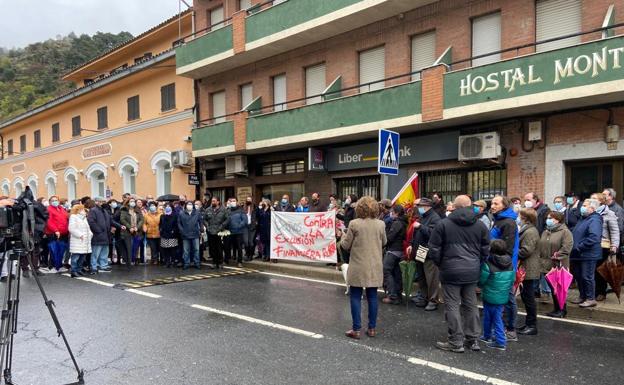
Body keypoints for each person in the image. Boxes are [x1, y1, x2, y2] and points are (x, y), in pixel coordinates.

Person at [428, 195, 490, 353]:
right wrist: (478, 263)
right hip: (472, 269)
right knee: (471, 304)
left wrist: (441, 264)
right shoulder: (480, 225)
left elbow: (434, 249)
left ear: (454, 207)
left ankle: (456, 340)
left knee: (452, 305)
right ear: (470, 206)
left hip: (450, 269)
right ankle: (473, 339)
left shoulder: (443, 224)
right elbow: (485, 249)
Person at [340, 196, 387, 339]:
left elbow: (345, 246)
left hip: (359, 265)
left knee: (355, 296)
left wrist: (342, 236)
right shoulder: (380, 224)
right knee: (372, 296)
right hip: (375, 265)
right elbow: (384, 242)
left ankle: (356, 329)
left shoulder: (354, 224)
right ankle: (372, 328)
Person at [489, 195, 519, 342]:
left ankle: (510, 329)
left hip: (504, 265)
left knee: (508, 298)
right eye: (492, 203)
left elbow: (507, 248)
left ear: (504, 206)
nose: (492, 205)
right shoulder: (498, 220)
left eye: (496, 203)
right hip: (496, 263)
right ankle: (499, 326)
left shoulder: (508, 223)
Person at [479, 239, 515, 351]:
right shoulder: (510, 264)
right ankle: (487, 335)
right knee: (494, 316)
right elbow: (512, 280)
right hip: (502, 296)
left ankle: (500, 341)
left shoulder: (488, 264)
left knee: (492, 317)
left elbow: (481, 281)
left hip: (489, 295)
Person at [407, 198, 441, 311]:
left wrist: (421, 227)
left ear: (427, 206)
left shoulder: (435, 218)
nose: (418, 208)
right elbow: (416, 233)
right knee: (422, 276)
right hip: (420, 249)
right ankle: (424, 297)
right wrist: (411, 244)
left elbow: (433, 234)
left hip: (429, 252)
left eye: (420, 206)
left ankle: (433, 300)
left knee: (431, 278)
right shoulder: (423, 217)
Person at [538, 211, 574, 317]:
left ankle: (562, 310)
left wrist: (557, 255)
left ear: (557, 220)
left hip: (558, 265)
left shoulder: (565, 232)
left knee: (559, 289)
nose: (547, 220)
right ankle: (556, 309)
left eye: (550, 218)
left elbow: (567, 247)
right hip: (546, 264)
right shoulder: (546, 232)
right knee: (553, 288)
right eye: (547, 218)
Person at [570, 199, 603, 308]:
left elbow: (594, 237)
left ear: (592, 208)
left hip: (588, 254)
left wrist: (579, 247)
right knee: (579, 276)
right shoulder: (583, 218)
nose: (581, 207)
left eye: (584, 205)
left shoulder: (595, 220)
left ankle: (590, 298)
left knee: (587, 276)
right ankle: (582, 296)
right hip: (578, 254)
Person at [591, 193, 620, 302]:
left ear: (601, 201)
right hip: (590, 246)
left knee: (600, 270)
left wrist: (614, 245)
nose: (591, 200)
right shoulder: (590, 212)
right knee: (590, 270)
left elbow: (614, 231)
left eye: (594, 199)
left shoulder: (609, 214)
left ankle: (601, 292)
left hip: (603, 246)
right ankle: (591, 292)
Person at [516, 208, 541, 336]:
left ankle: (532, 325)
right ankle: (528, 323)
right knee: (526, 297)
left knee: (529, 298)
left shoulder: (530, 231)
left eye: (519, 216)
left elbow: (527, 250)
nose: (518, 218)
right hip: (526, 267)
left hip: (528, 268)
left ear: (525, 218)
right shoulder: (527, 230)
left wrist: (513, 253)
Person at [382, 205, 407, 305]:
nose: (391, 213)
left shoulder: (397, 223)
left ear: (396, 213)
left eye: (392, 212)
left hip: (393, 250)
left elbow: (390, 238)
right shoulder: (404, 222)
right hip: (399, 251)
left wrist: (384, 241)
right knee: (396, 273)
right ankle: (398, 295)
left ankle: (392, 295)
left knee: (387, 271)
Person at [43, 195, 69, 272]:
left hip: (63, 232)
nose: (55, 201)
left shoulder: (61, 209)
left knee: (61, 250)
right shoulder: (48, 209)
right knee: (54, 250)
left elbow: (65, 219)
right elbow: (49, 221)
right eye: (53, 200)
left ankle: (59, 265)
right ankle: (52, 266)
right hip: (53, 233)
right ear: (50, 202)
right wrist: (55, 230)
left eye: (56, 200)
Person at [87, 197, 112, 274]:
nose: (102, 203)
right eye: (100, 201)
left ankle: (103, 265)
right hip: (98, 235)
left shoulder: (104, 210)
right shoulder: (93, 210)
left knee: (104, 252)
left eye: (103, 201)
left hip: (106, 235)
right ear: (96, 202)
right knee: (96, 252)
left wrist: (120, 226)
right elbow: (91, 222)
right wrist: (99, 231)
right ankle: (93, 267)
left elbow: (110, 220)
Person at [68, 204, 93, 278]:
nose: (84, 210)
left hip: (85, 240)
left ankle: (79, 269)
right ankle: (73, 271)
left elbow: (87, 228)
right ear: (78, 210)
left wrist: (90, 234)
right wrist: (80, 235)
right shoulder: (73, 217)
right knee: (76, 256)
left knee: (82, 256)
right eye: (82, 209)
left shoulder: (84, 218)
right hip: (78, 240)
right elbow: (72, 228)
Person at [178, 199, 203, 270]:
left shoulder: (197, 213)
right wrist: (182, 231)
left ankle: (197, 263)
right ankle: (186, 263)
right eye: (188, 204)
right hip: (185, 235)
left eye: (191, 204)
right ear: (186, 206)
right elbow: (179, 223)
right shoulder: (181, 213)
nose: (190, 206)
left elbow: (201, 221)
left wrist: (201, 229)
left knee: (196, 249)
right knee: (186, 250)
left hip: (195, 234)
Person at [204, 197, 228, 269]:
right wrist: (208, 227)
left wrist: (221, 226)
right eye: (212, 201)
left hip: (219, 231)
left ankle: (220, 262)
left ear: (218, 202)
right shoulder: (208, 209)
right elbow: (204, 219)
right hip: (211, 231)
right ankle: (214, 262)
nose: (213, 202)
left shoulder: (223, 210)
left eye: (214, 201)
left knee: (219, 248)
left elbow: (227, 219)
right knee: (212, 248)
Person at [120, 198, 144, 268]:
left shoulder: (138, 210)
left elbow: (141, 220)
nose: (133, 202)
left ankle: (133, 260)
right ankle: (129, 263)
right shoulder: (124, 210)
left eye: (134, 201)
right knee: (128, 247)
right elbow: (122, 219)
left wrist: (137, 227)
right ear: (128, 202)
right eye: (131, 201)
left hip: (137, 232)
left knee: (135, 247)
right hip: (127, 231)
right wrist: (129, 227)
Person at [224, 198, 247, 267]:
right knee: (227, 247)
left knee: (239, 247)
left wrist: (239, 226)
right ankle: (226, 260)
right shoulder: (227, 210)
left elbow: (244, 220)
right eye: (231, 201)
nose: (232, 202)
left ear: (237, 202)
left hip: (238, 232)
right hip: (229, 232)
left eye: (234, 201)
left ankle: (239, 261)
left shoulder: (241, 210)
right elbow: (224, 219)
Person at [241, 197, 257, 261]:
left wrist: (256, 222)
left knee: (251, 242)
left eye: (250, 200)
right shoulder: (243, 208)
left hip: (252, 226)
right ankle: (247, 254)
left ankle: (250, 255)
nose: (248, 201)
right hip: (245, 226)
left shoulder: (255, 207)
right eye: (247, 200)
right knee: (245, 241)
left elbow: (258, 215)